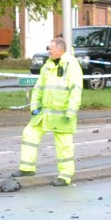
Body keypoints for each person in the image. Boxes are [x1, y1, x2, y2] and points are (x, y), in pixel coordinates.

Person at [20, 36, 82, 185]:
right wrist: (34, 107)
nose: (48, 50)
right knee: (29, 134)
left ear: (60, 50)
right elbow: (38, 88)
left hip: (62, 114)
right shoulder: (47, 66)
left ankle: (65, 175)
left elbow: (76, 90)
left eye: (51, 48)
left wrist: (71, 112)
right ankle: (27, 167)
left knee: (64, 145)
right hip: (44, 113)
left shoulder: (71, 65)